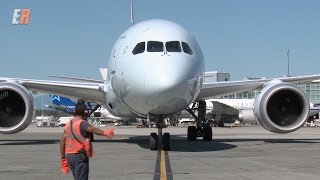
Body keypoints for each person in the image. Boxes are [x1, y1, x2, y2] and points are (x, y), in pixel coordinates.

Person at [60, 100, 115, 180]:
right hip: (79, 156)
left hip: (70, 156)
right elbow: (92, 129)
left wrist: (63, 158)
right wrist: (105, 132)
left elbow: (62, 142)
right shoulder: (82, 123)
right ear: (84, 112)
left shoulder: (68, 124)